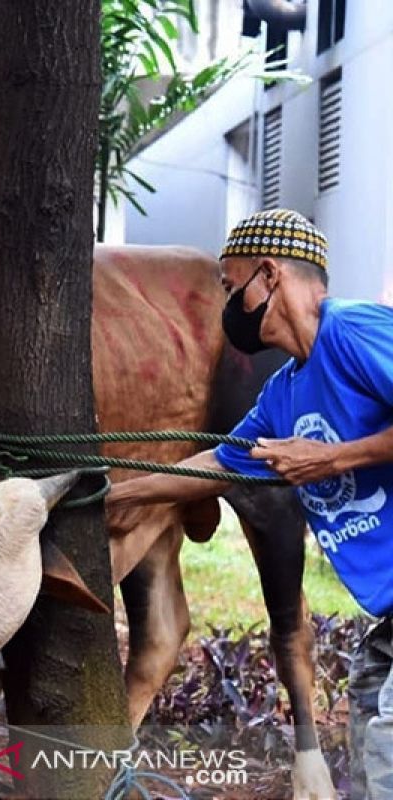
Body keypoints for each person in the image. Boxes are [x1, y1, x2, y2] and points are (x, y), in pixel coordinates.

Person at [104, 209, 393, 799]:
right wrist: (111, 491)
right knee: (367, 747)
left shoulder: (356, 331)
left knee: (387, 743)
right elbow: (218, 462)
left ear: (268, 276)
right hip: (387, 617)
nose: (226, 304)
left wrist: (330, 459)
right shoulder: (282, 393)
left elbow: (323, 458)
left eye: (230, 287)